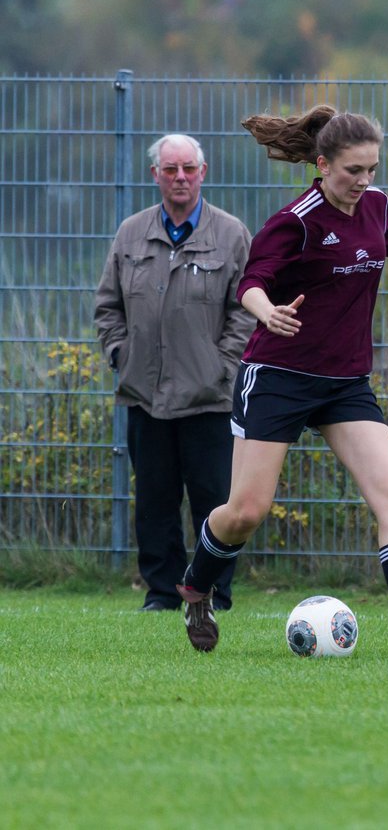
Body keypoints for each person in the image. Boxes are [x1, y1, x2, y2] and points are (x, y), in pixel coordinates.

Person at [174, 105, 388, 656]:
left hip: (344, 383)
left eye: (372, 170)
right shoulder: (298, 220)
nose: (363, 181)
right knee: (245, 512)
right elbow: (252, 281)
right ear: (323, 163)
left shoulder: (375, 208)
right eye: (353, 171)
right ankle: (197, 585)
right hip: (279, 375)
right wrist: (266, 312)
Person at [95, 134, 255, 613]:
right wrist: (121, 354)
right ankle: (162, 593)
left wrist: (223, 366)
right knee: (155, 505)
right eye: (170, 170)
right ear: (156, 176)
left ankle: (214, 592)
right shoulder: (130, 234)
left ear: (203, 172)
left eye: (188, 168)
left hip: (209, 397)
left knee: (215, 502)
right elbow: (108, 306)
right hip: (145, 394)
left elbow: (246, 309)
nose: (180, 177)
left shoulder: (230, 235)